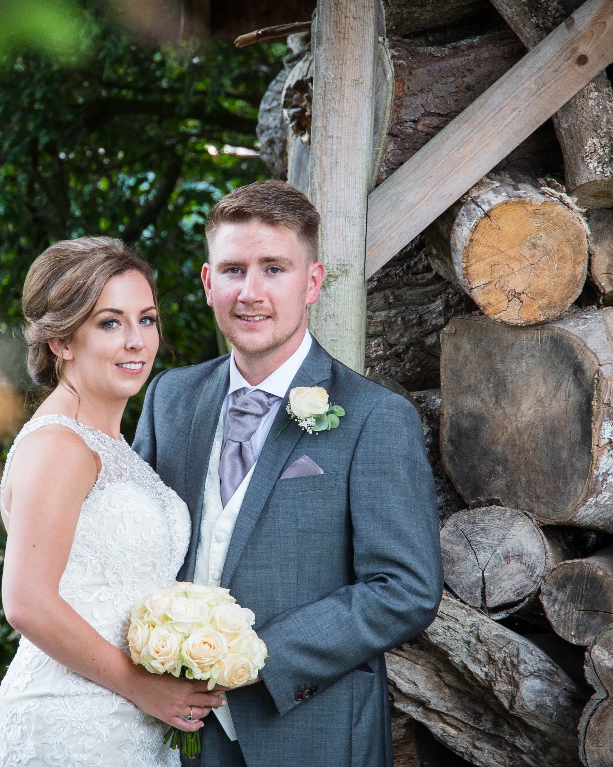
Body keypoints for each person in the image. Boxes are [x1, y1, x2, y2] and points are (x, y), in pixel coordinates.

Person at [133, 181, 443, 766]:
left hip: (310, 731)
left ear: (313, 282)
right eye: (232, 270)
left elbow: (406, 589)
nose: (250, 292)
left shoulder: (376, 417)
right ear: (206, 283)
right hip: (172, 732)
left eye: (274, 268)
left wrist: (251, 658)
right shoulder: (169, 399)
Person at [0, 237, 223, 767]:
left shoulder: (113, 445)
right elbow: (26, 601)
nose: (137, 341)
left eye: (147, 319)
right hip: (70, 723)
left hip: (131, 725)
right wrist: (143, 687)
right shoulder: (58, 445)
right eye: (110, 323)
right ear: (62, 342)